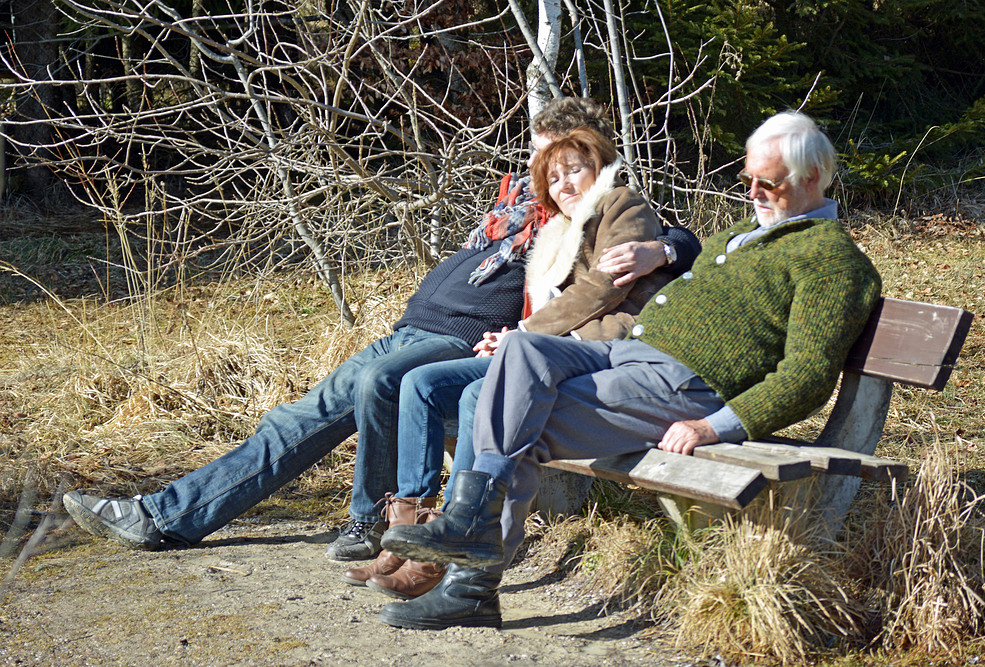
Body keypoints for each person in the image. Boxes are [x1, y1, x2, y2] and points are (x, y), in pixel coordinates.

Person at [60, 97, 691, 556]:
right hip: (415, 327)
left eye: (567, 152)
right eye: (542, 150)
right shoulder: (517, 205)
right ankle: (166, 514)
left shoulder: (590, 212)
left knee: (369, 391)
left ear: (596, 154)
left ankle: (369, 522)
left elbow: (646, 245)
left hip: (458, 342)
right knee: (297, 419)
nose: (551, 165)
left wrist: (666, 249)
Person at [377, 110, 884, 630]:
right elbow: (676, 250)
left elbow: (808, 375)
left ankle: (471, 582)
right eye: (747, 179)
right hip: (624, 356)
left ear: (813, 178)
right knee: (520, 352)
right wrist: (664, 248)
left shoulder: (831, 260)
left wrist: (713, 426)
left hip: (683, 386)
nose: (752, 192)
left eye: (768, 182)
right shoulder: (739, 235)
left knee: (520, 422)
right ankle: (470, 525)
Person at [345, 127, 699, 595]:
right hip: (536, 348)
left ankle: (454, 537)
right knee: (420, 384)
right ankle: (413, 533)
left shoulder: (620, 204)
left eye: (575, 170)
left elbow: (603, 286)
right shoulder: (552, 230)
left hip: (593, 348)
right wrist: (506, 337)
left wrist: (523, 334)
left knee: (477, 394)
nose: (566, 184)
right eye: (554, 178)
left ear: (600, 169)